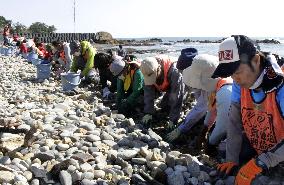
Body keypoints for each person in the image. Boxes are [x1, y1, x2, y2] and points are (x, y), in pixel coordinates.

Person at [213, 35, 284, 185]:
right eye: (230, 73)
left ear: (256, 60)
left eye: (237, 72)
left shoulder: (281, 86)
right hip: (261, 144)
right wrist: (231, 159)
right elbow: (234, 122)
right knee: (222, 149)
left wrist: (260, 163)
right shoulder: (241, 84)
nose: (234, 78)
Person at [168, 54, 233, 156]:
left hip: (246, 132)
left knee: (222, 149)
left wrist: (210, 143)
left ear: (206, 80)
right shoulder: (217, 86)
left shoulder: (225, 92)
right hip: (231, 121)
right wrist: (204, 130)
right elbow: (212, 111)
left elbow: (223, 125)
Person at [140, 55, 185, 129]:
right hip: (164, 84)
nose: (151, 80)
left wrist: (173, 120)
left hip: (180, 83)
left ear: (158, 68)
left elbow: (178, 97)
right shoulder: (147, 69)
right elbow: (148, 93)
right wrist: (148, 112)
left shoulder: (175, 72)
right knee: (163, 107)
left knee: (173, 101)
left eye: (153, 77)